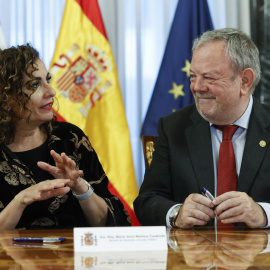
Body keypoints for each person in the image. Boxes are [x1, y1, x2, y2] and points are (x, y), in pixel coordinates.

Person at [134, 28, 270, 229]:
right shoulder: (173, 128)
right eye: (192, 76)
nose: (197, 87)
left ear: (245, 81)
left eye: (209, 78)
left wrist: (263, 213)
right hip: (193, 258)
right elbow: (147, 201)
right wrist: (176, 213)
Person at [0, 44, 130, 229]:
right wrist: (19, 201)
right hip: (13, 258)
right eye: (35, 85)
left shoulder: (70, 138)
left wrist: (80, 187)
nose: (51, 91)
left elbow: (113, 224)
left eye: (48, 80)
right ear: (6, 99)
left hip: (75, 257)